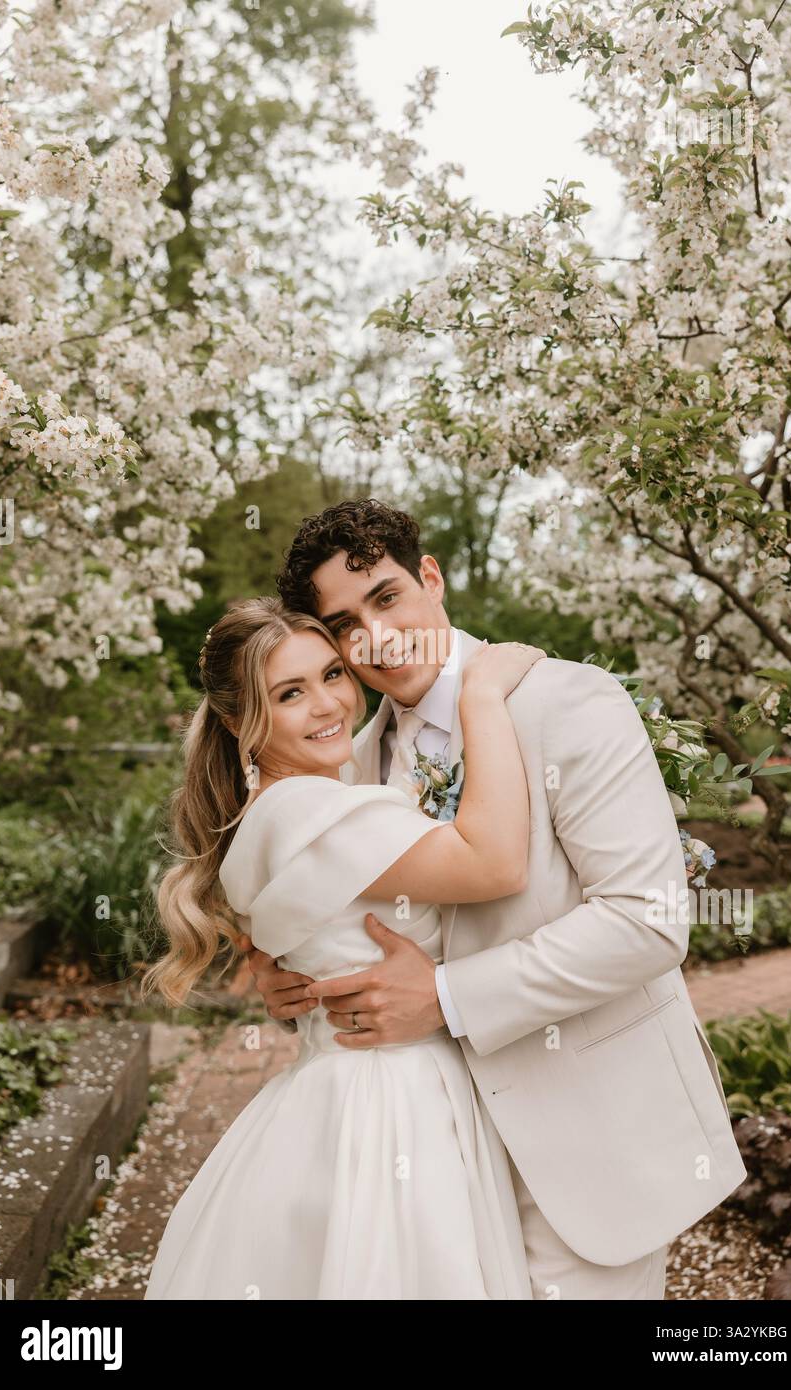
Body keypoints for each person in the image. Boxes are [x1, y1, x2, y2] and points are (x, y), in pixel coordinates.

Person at [243, 497, 748, 1301]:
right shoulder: (349, 758)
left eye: (385, 596)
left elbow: (646, 924)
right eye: (343, 626)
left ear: (431, 578)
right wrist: (295, 982)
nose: (375, 637)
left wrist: (443, 997)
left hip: (585, 1133)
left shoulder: (566, 701)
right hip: (434, 1157)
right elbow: (350, 916)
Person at [142, 595, 545, 1299]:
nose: (328, 704)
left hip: (351, 1075)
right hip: (390, 1097)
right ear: (240, 720)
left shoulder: (285, 805)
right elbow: (495, 866)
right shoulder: (307, 810)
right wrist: (481, 692)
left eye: (332, 674)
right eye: (290, 694)